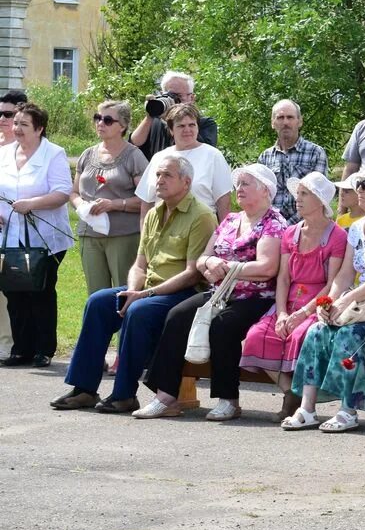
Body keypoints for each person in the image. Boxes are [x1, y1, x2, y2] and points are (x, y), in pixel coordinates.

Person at [51, 156, 216, 412]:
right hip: (148, 288)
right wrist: (133, 289)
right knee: (98, 303)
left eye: (167, 175)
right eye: (158, 175)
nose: (159, 180)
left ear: (186, 182)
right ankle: (83, 388)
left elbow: (193, 274)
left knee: (139, 311)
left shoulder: (202, 216)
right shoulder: (152, 214)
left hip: (182, 293)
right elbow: (140, 264)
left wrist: (145, 294)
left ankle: (124, 394)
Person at [136, 165, 287, 420]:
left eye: (246, 184)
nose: (238, 189)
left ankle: (228, 399)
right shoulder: (230, 220)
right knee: (177, 315)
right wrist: (209, 265)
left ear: (265, 191)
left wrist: (226, 267)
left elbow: (267, 267)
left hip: (255, 297)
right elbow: (204, 257)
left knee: (223, 325)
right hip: (219, 292)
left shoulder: (273, 223)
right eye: (238, 184)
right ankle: (166, 396)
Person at [285, 164, 365, 432]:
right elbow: (344, 276)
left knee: (349, 335)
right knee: (317, 330)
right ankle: (307, 408)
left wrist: (345, 300)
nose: (359, 191)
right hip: (358, 301)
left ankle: (348, 409)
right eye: (358, 185)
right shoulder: (356, 228)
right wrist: (328, 302)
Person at [240, 172, 347, 422]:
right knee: (257, 336)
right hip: (288, 300)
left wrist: (303, 313)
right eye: (297, 193)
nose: (297, 199)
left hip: (318, 301)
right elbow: (284, 278)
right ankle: (291, 391)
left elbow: (332, 284)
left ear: (320, 201)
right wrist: (282, 313)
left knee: (301, 336)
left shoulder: (337, 236)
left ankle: (300, 398)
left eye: (304, 194)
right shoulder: (290, 233)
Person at [0, 103, 72, 367]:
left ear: (40, 129)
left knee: (40, 291)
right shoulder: (4, 153)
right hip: (9, 236)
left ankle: (44, 349)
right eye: (15, 123)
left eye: (23, 125)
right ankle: (21, 349)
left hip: (45, 239)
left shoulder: (54, 153)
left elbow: (62, 192)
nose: (17, 129)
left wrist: (31, 204)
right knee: (13, 291)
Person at [69, 101, 149, 297]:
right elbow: (73, 192)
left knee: (124, 292)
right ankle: (100, 329)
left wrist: (114, 204)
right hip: (90, 235)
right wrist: (82, 206)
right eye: (97, 118)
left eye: (107, 120)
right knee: (95, 294)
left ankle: (125, 329)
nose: (100, 123)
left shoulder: (134, 156)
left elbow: (147, 198)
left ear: (122, 126)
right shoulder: (88, 154)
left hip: (123, 236)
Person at [135, 104, 233, 221]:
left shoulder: (213, 155)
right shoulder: (159, 157)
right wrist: (145, 237)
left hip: (201, 227)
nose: (187, 130)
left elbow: (223, 203)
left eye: (192, 125)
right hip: (163, 228)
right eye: (181, 126)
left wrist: (224, 236)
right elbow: (147, 202)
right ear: (171, 130)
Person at [257, 99, 328, 224]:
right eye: (280, 118)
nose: (285, 122)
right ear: (273, 123)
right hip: (270, 227)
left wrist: (287, 227)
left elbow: (318, 198)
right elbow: (260, 198)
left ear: (299, 121)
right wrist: (272, 226)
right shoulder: (265, 157)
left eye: (290, 117)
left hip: (305, 228)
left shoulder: (315, 153)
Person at [129, 71, 218, 159]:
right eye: (169, 95)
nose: (173, 100)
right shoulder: (155, 120)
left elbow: (205, 153)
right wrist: (150, 115)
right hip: (159, 171)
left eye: (178, 96)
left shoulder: (205, 123)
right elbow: (134, 144)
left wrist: (174, 120)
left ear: (191, 98)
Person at [0, 88, 25, 360]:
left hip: (12, 228)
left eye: (8, 114)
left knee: (6, 291)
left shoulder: (23, 150)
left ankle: (8, 343)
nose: (2, 119)